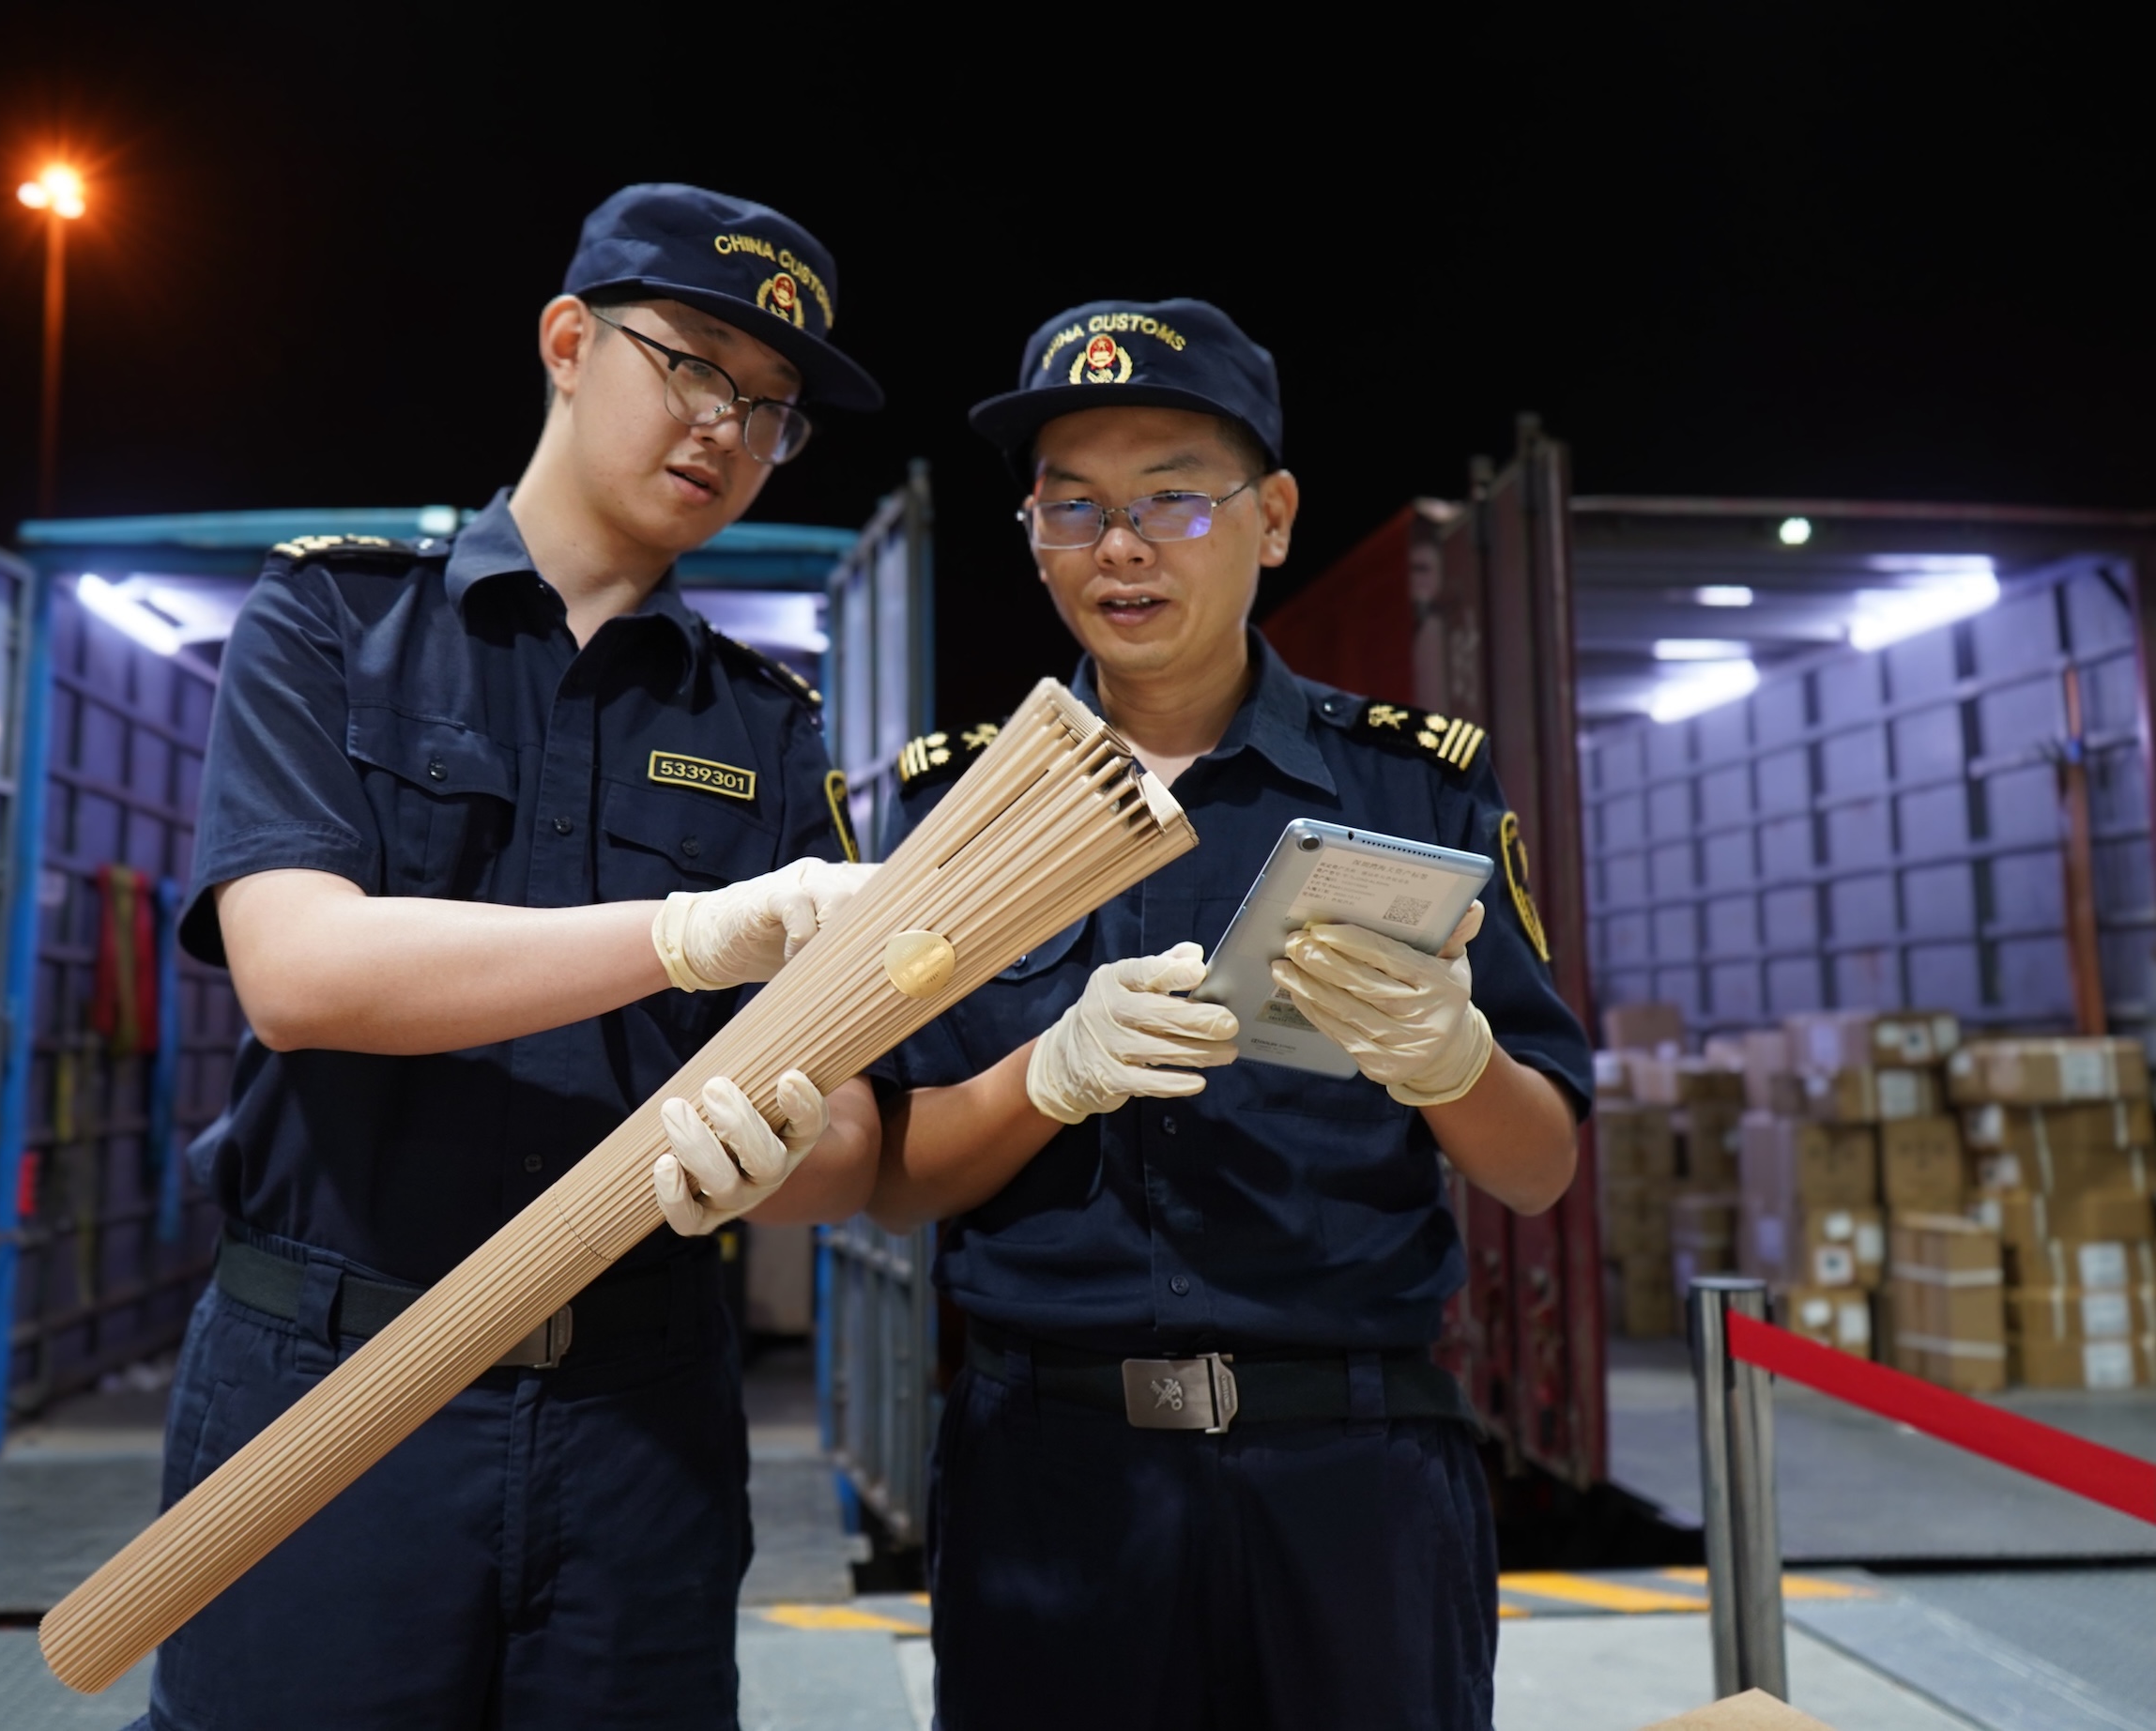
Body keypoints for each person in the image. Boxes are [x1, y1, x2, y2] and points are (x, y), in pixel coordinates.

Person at [139, 185, 887, 1731]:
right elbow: (303, 973)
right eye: (688, 364)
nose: (725, 431)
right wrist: (680, 933)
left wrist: (784, 1154)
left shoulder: (763, 724)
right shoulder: (334, 621)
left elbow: (851, 1125)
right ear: (567, 340)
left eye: (770, 410)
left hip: (639, 1417)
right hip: (335, 1378)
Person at [866, 299, 1594, 1729]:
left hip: (1354, 1481)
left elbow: (1538, 1161)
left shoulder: (1413, 792)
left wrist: (1452, 1061)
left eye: (1170, 501)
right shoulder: (944, 813)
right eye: (1068, 507)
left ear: (1270, 519)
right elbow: (888, 1178)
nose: (1117, 547)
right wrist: (1043, 1076)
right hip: (1050, 1476)